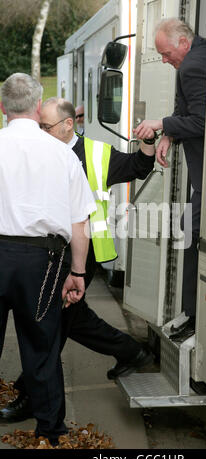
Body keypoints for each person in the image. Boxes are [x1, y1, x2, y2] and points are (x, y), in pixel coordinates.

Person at [0, 97, 156, 423]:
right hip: (46, 255)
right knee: (72, 320)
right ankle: (131, 352)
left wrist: (149, 142)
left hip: (81, 256)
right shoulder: (38, 150)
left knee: (52, 329)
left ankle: (30, 396)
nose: (40, 132)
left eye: (46, 127)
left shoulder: (96, 154)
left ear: (68, 124)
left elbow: (137, 167)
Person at [0, 74, 96, 445]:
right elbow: (78, 221)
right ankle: (51, 433)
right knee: (41, 347)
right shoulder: (62, 154)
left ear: (3, 107)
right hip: (43, 261)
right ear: (39, 107)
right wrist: (77, 271)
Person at [134, 18, 206, 340]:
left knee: (189, 232)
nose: (164, 61)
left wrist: (160, 123)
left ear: (182, 42)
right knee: (186, 229)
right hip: (204, 171)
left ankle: (193, 314)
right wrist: (170, 135)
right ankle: (191, 312)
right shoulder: (199, 54)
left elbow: (203, 121)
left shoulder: (192, 66)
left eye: (166, 54)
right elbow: (185, 108)